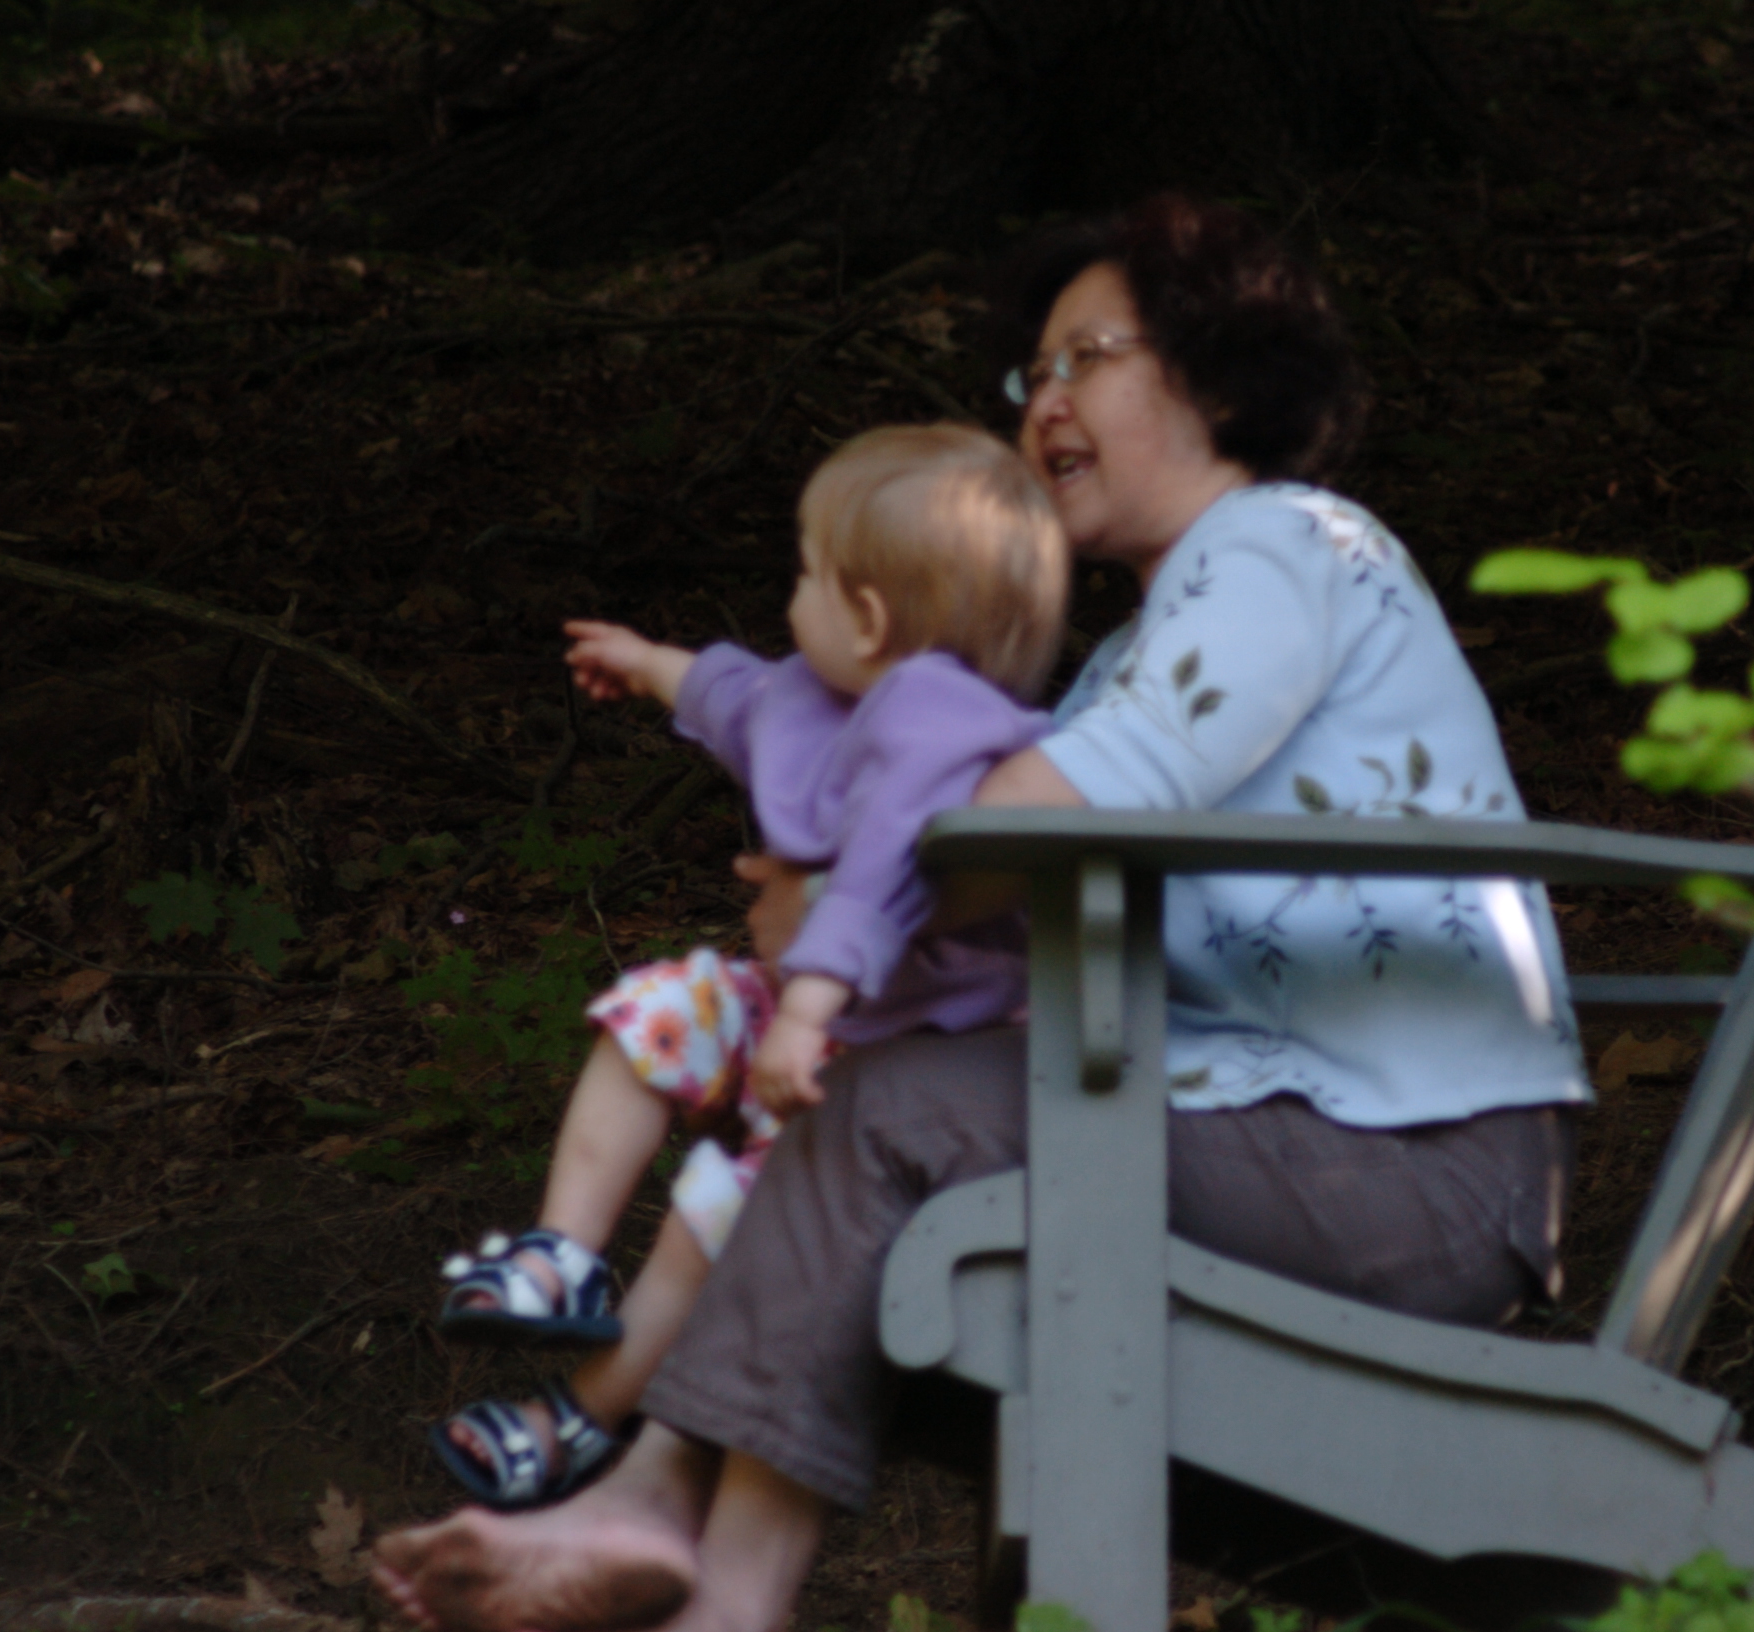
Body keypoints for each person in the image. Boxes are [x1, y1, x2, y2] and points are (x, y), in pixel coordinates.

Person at [374, 194, 1591, 1632]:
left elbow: (1034, 818)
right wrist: (846, 928)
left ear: (1220, 370)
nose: (1044, 402)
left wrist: (841, 912)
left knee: (885, 1104)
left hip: (1409, 1167)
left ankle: (676, 1536)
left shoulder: (1287, 543)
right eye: (1034, 371)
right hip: (1265, 1131)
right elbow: (1003, 873)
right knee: (875, 1095)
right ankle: (673, 1535)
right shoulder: (1131, 653)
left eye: (1090, 357)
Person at [425, 423, 1066, 1513]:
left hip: (906, 1058)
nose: (790, 596)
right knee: (661, 1011)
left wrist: (805, 1011)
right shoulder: (838, 693)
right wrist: (646, 665)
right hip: (817, 1023)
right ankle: (559, 1254)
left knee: (710, 1218)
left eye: (806, 575)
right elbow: (743, 698)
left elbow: (877, 878)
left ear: (869, 619)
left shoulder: (941, 728)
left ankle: (581, 1416)